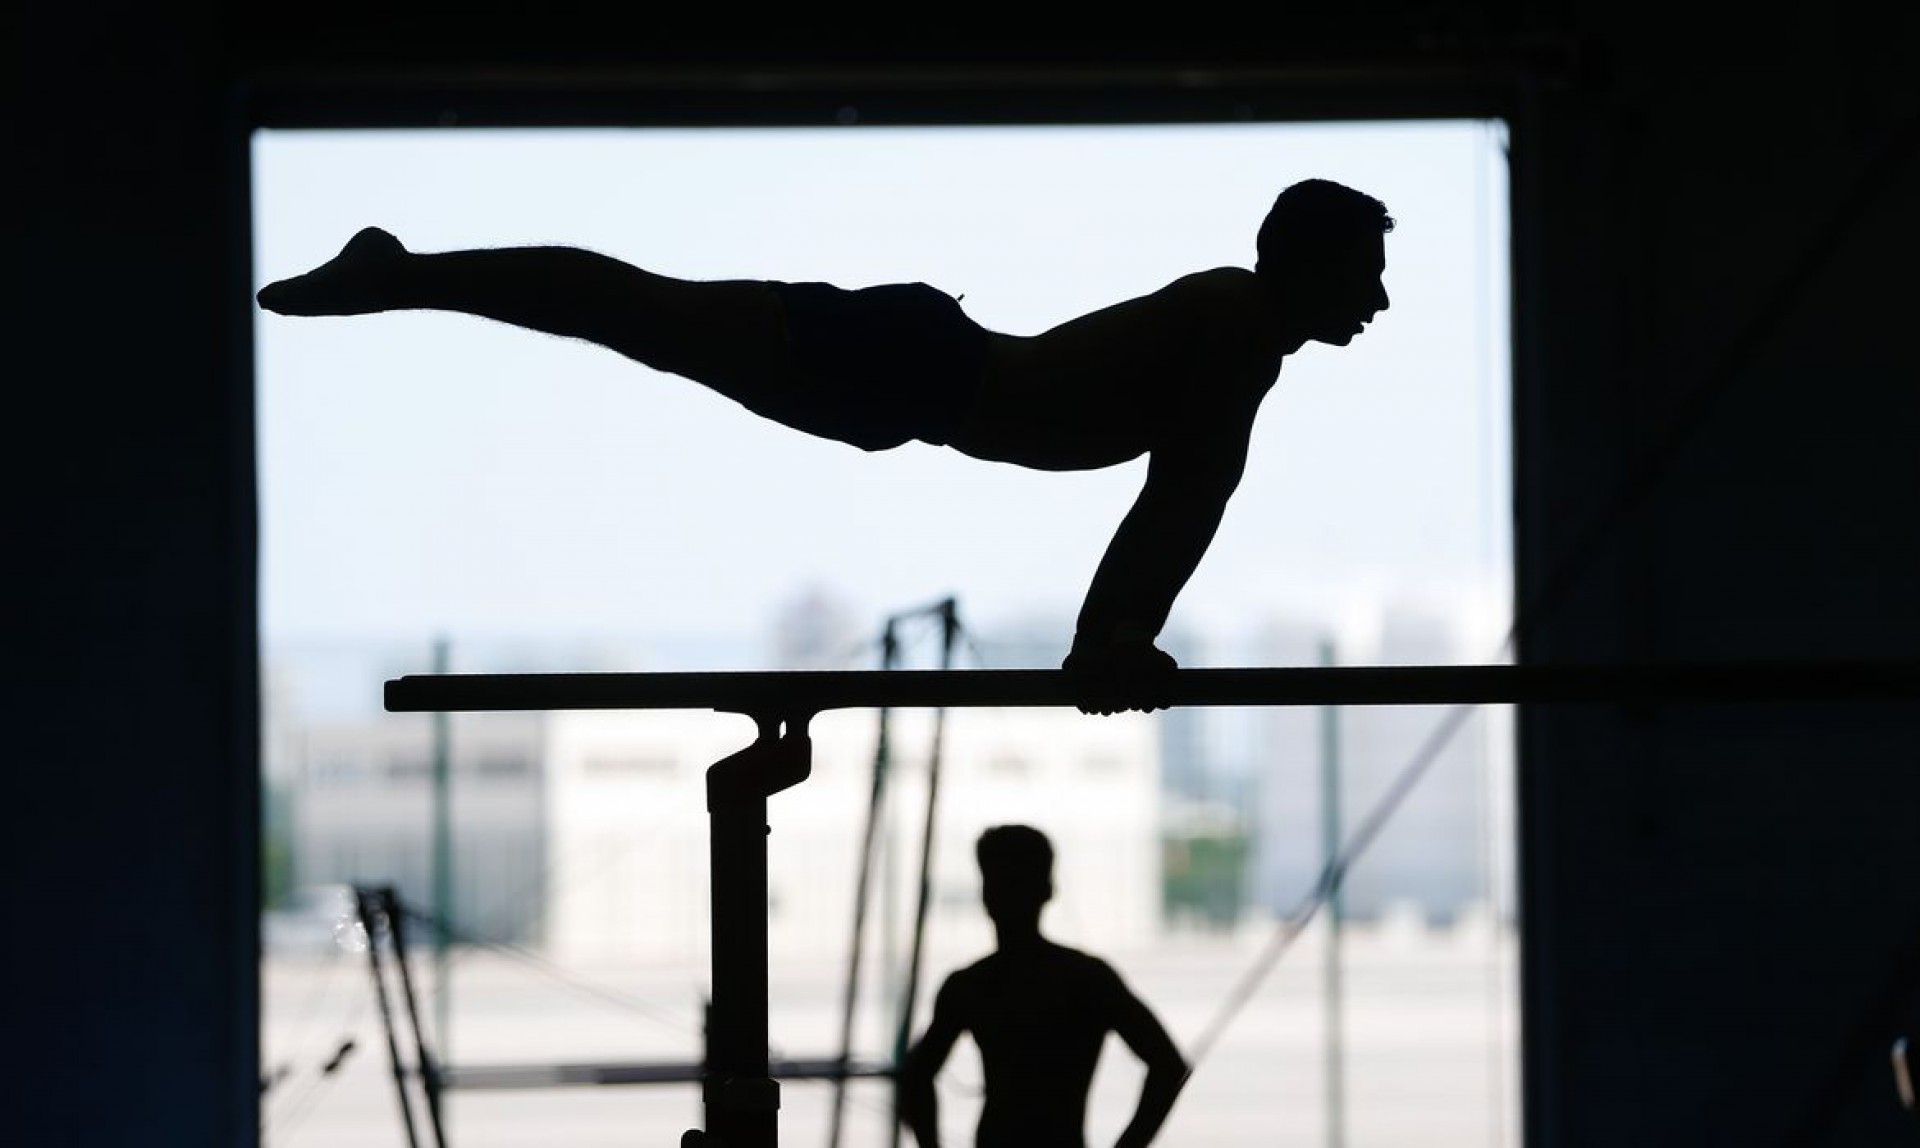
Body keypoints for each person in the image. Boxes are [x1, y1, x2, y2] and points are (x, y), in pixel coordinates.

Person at [256, 179, 1393, 711]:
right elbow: (1184, 498)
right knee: (645, 315)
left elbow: (1182, 499)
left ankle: (405, 274)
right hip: (915, 367)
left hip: (913, 379)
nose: (1379, 301)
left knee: (649, 319)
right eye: (1366, 274)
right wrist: (1110, 643)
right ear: (1307, 263)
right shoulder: (1239, 326)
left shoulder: (1235, 320)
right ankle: (401, 272)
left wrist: (1110, 642)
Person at [897, 825, 1188, 1148]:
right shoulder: (1087, 979)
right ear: (1048, 890)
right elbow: (1168, 1066)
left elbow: (917, 1076)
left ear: (986, 895)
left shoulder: (971, 985)